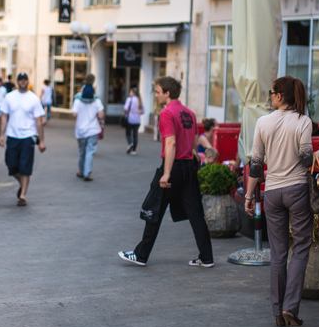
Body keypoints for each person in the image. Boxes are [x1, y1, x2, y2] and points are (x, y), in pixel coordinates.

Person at [118, 77, 214, 269]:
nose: (156, 94)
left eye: (158, 91)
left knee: (155, 209)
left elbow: (170, 143)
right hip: (189, 166)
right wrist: (191, 153)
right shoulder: (190, 113)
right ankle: (207, 257)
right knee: (196, 213)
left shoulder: (167, 113)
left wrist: (166, 173)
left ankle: (140, 255)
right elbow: (194, 141)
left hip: (174, 166)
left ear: (168, 93)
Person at [243, 76, 314, 327]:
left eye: (272, 92)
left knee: (277, 253)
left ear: (280, 96)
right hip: (297, 189)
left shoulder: (263, 122)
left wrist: (250, 196)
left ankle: (276, 311)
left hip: (272, 192)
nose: (270, 97)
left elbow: (255, 164)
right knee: (301, 247)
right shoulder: (303, 121)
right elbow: (307, 160)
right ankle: (290, 307)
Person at [0, 72, 46, 207]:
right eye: (21, 80)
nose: (23, 82)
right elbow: (3, 117)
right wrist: (1, 135)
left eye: (25, 80)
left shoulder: (34, 98)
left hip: (28, 137)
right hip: (12, 136)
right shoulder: (9, 97)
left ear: (28, 81)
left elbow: (39, 121)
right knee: (11, 165)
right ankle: (22, 183)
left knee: (25, 167)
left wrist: (41, 141)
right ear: (17, 81)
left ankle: (23, 195)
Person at [72, 84, 105, 182]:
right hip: (93, 130)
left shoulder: (77, 101)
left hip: (80, 131)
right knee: (90, 152)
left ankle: (81, 171)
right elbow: (101, 115)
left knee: (82, 152)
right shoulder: (97, 101)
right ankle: (87, 173)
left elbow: (74, 114)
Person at [123, 87, 143, 155]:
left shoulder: (130, 99)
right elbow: (142, 111)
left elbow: (125, 108)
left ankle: (130, 143)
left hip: (130, 119)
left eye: (130, 92)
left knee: (128, 133)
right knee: (135, 135)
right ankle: (134, 150)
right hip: (137, 120)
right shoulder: (140, 100)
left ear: (132, 92)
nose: (129, 93)